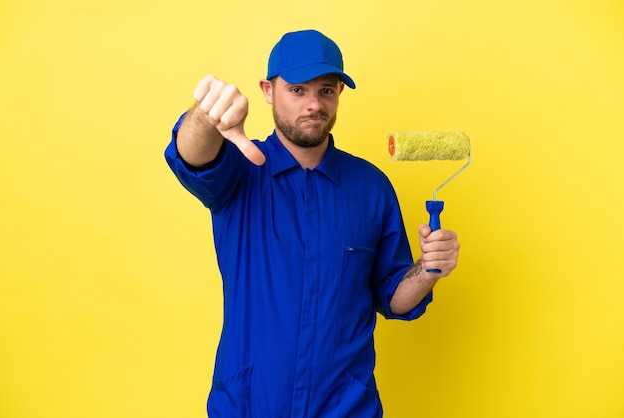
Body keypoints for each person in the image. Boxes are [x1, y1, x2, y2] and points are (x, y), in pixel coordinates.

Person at [164, 29, 460, 418]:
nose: (314, 104)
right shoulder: (239, 170)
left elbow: (392, 297)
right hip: (250, 405)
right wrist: (207, 115)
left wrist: (429, 269)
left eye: (326, 90)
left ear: (339, 92)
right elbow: (192, 156)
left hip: (345, 407)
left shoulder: (371, 187)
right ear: (268, 91)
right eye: (298, 90)